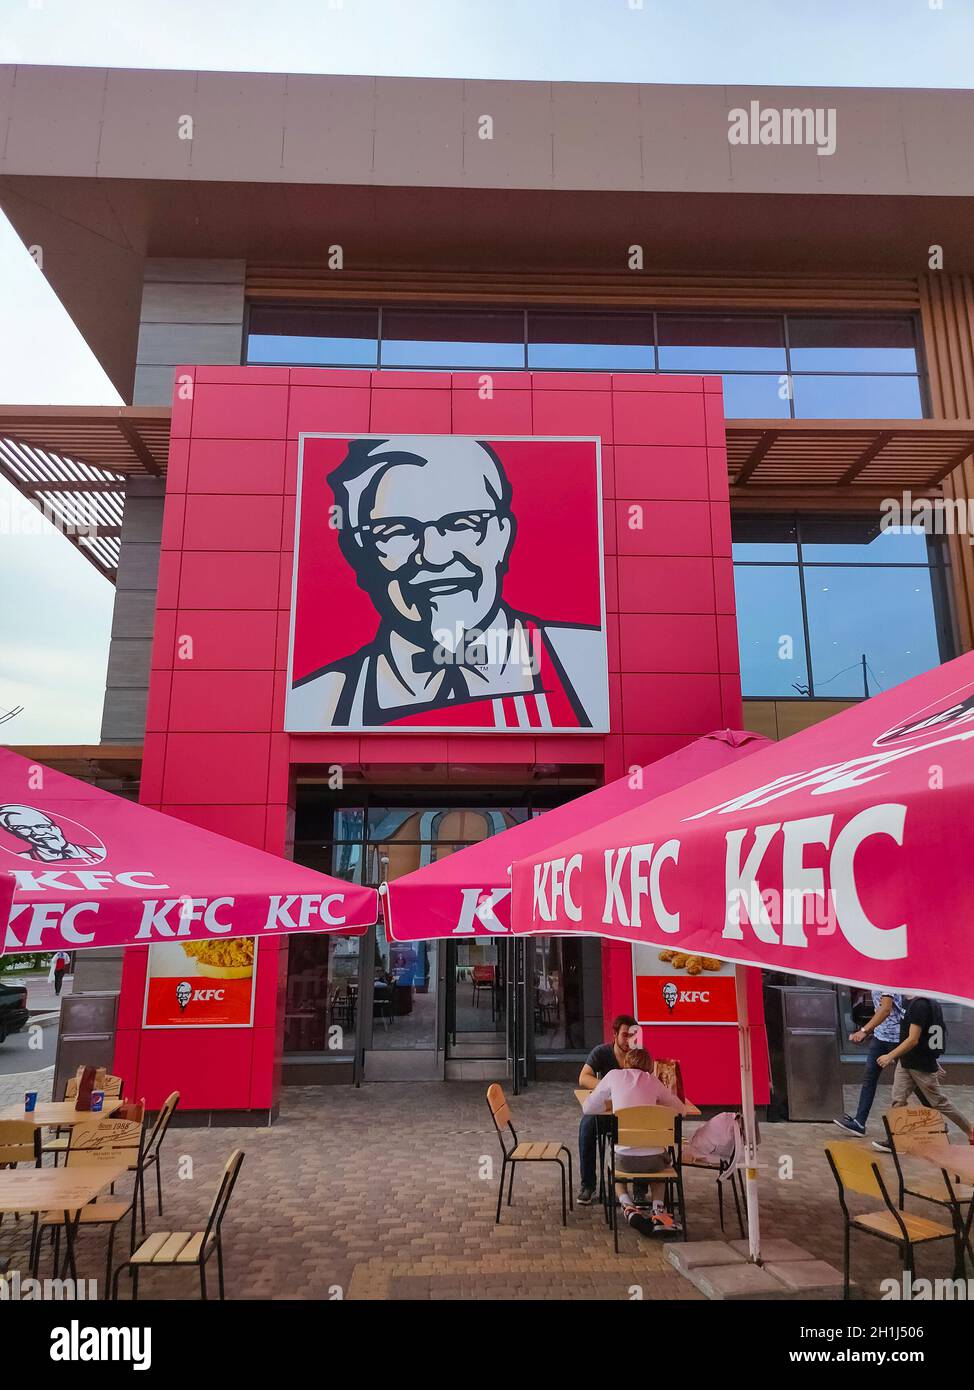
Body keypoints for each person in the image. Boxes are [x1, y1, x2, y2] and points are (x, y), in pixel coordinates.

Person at [286, 436, 608, 730]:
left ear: (502, 536)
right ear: (358, 554)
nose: (435, 556)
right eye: (396, 531)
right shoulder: (317, 704)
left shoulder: (585, 668)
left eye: (462, 524)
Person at [582, 1046, 688, 1235]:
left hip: (624, 1161)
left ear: (625, 1063)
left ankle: (627, 1205)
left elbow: (588, 1108)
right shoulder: (654, 1082)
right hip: (654, 1162)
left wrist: (611, 1103)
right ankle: (657, 1209)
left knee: (612, 1163)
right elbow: (682, 1110)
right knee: (662, 1165)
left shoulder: (614, 1075)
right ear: (649, 1067)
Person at [874, 993, 974, 1149]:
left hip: (919, 1064)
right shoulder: (927, 1003)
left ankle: (970, 1131)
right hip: (907, 1061)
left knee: (939, 1102)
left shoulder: (919, 1005)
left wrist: (890, 1055)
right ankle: (895, 1140)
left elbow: (913, 1039)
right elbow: (932, 1034)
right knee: (898, 1099)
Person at [576, 1014, 637, 1204]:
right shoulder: (601, 1052)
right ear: (615, 1035)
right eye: (625, 1035)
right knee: (586, 1128)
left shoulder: (639, 1055)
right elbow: (583, 1077)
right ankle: (588, 1185)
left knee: (647, 1132)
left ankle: (641, 1188)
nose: (629, 1040)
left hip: (630, 1116)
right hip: (606, 1113)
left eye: (633, 1036)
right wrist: (606, 1086)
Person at [833, 989, 904, 1136]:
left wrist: (864, 1030)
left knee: (913, 1080)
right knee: (869, 1079)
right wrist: (871, 1031)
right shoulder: (876, 980)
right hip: (880, 1037)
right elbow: (880, 1010)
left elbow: (885, 1009)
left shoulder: (887, 979)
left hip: (896, 1039)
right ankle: (859, 1122)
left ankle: (937, 1120)